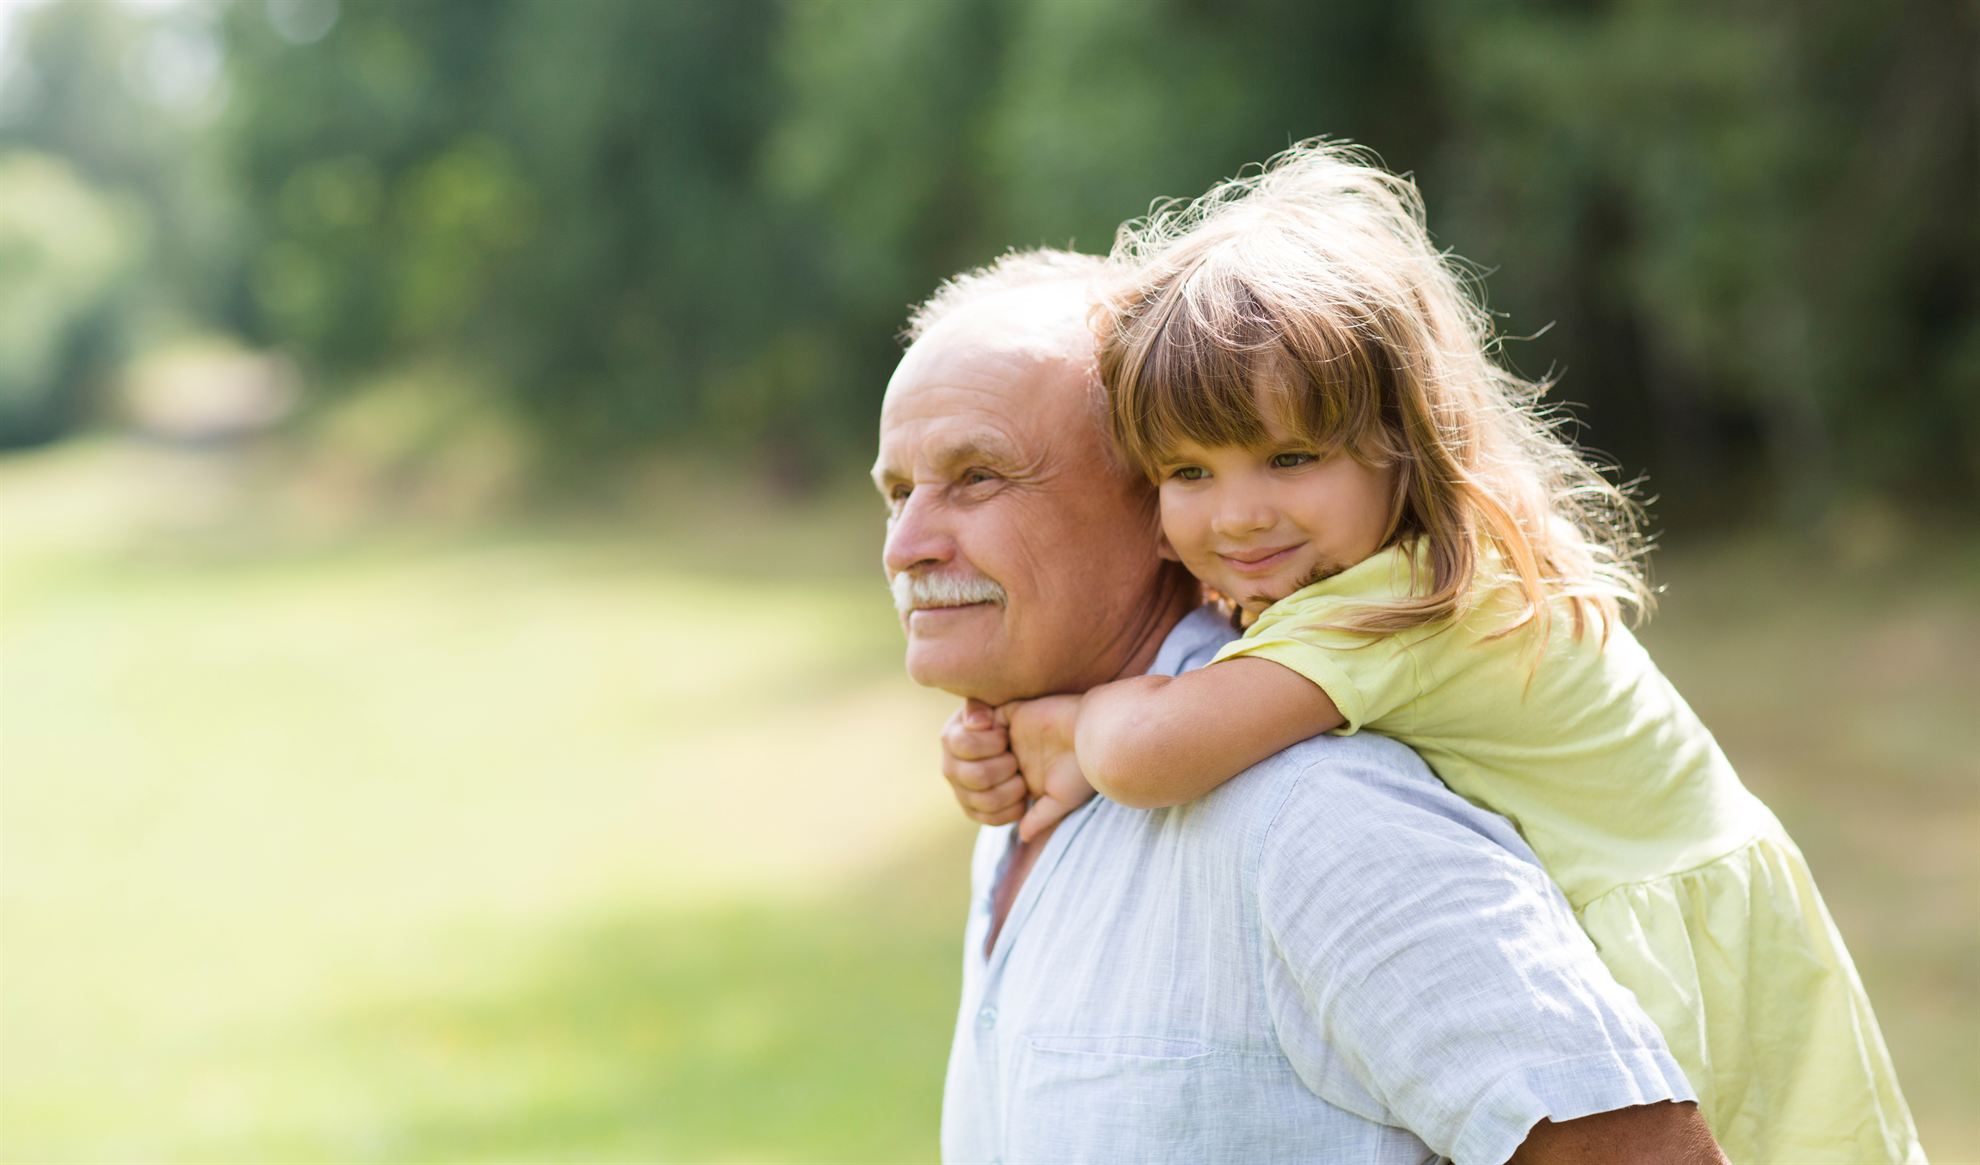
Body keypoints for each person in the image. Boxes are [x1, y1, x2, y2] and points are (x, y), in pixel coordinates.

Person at [953, 142, 1923, 1164]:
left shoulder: (1400, 606)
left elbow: (1152, 754)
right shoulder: (1363, 568)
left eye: (1290, 458)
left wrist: (1071, 723)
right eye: (1189, 471)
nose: (1238, 515)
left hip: (1685, 951)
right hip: (1703, 905)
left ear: (1402, 442)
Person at [877, 248, 1725, 1163]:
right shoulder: (1024, 794)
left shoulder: (1316, 812)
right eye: (896, 492)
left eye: (979, 476)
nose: (907, 545)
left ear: (1149, 502)